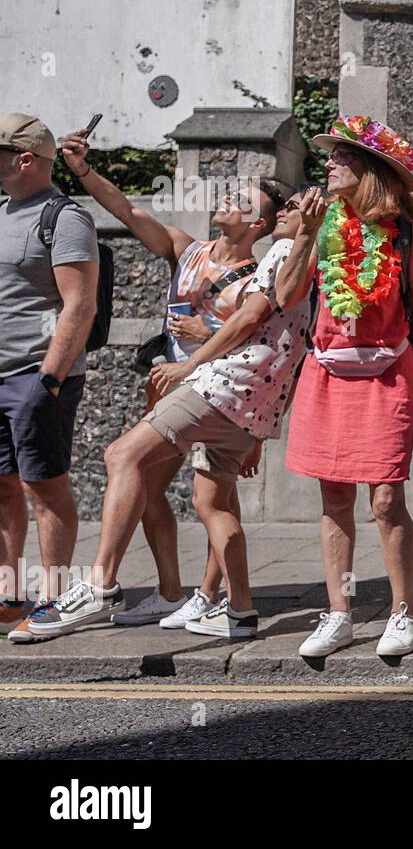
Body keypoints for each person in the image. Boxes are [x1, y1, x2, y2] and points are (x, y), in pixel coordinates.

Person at [23, 191, 313, 640]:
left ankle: (100, 585)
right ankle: (238, 610)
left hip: (219, 385)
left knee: (122, 456)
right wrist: (263, 426)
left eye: (294, 207)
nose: (291, 212)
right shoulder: (306, 260)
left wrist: (192, 361)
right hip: (249, 404)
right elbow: (291, 346)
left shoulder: (283, 251)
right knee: (212, 503)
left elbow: (250, 320)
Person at [60, 127, 281, 630]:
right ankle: (169, 592)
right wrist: (82, 171)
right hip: (168, 386)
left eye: (241, 200)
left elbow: (262, 348)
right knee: (142, 485)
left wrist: (256, 434)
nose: (227, 198)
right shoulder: (187, 250)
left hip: (218, 395)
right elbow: (129, 213)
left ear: (259, 223)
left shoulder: (258, 278)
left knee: (214, 497)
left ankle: (213, 597)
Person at [278, 117, 413, 660]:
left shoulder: (408, 234)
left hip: (390, 372)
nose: (328, 164)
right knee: (334, 495)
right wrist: (303, 234)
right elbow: (285, 294)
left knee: (388, 498)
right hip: (328, 372)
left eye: (340, 157)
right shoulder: (319, 224)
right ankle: (340, 614)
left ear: (367, 170)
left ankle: (402, 612)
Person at [0, 114, 98, 638]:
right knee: (2, 487)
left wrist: (50, 379)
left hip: (36, 376)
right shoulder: (1, 211)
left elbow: (79, 305)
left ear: (24, 159)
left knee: (44, 488)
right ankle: (8, 596)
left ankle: (54, 600)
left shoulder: (64, 217)